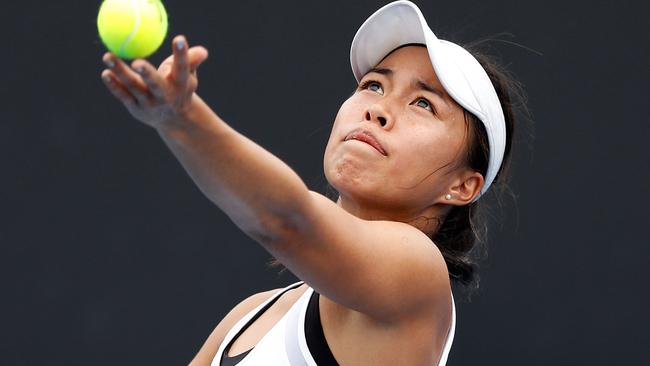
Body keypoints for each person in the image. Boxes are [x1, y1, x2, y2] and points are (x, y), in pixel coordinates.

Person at [100, 1, 520, 365]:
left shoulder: (418, 276)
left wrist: (183, 118)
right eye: (373, 85)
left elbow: (286, 221)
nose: (378, 109)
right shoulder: (249, 319)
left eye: (423, 103)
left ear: (463, 186)